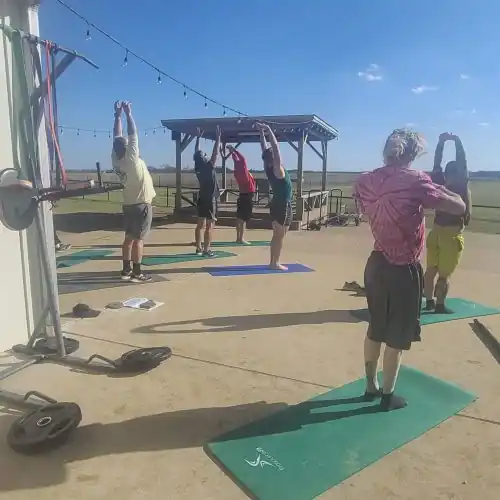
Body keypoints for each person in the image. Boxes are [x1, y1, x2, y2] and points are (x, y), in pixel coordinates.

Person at [353, 128, 466, 411]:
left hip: (376, 263)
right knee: (398, 334)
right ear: (413, 153)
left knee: (375, 327)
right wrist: (438, 187)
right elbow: (458, 207)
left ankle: (370, 385)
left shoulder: (365, 180)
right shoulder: (416, 180)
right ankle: (388, 395)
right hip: (404, 269)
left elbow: (362, 208)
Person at [424, 133, 471, 314]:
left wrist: (441, 143)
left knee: (430, 270)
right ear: (459, 173)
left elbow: (436, 163)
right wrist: (457, 141)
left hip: (435, 232)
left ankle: (429, 302)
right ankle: (440, 305)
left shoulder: (438, 182)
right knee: (444, 275)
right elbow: (462, 160)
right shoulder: (460, 184)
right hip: (451, 236)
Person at [111, 100, 156, 283]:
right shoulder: (131, 157)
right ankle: (137, 273)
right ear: (126, 147)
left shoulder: (116, 159)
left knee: (128, 238)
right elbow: (132, 133)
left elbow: (117, 135)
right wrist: (128, 114)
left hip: (128, 204)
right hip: (141, 204)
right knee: (139, 240)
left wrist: (117, 116)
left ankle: (125, 270)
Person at [256, 122, 292, 270]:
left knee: (277, 234)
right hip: (282, 205)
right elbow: (275, 148)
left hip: (277, 203)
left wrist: (261, 133)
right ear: (273, 159)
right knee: (279, 235)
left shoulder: (269, 168)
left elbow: (264, 148)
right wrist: (269, 130)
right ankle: (274, 263)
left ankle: (273, 262)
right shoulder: (277, 170)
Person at [194, 126, 221, 257]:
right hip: (210, 199)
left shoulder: (198, 167)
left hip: (202, 198)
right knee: (210, 225)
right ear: (204, 158)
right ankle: (206, 250)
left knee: (200, 224)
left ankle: (198, 248)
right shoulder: (208, 167)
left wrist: (198, 137)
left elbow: (196, 151)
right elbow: (215, 153)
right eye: (205, 155)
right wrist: (218, 138)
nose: (206, 155)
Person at [225, 144, 256, 244]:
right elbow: (242, 159)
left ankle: (238, 238)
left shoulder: (237, 172)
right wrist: (234, 150)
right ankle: (241, 238)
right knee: (243, 219)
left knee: (239, 218)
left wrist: (232, 152)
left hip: (242, 196)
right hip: (247, 196)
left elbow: (236, 159)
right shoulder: (244, 173)